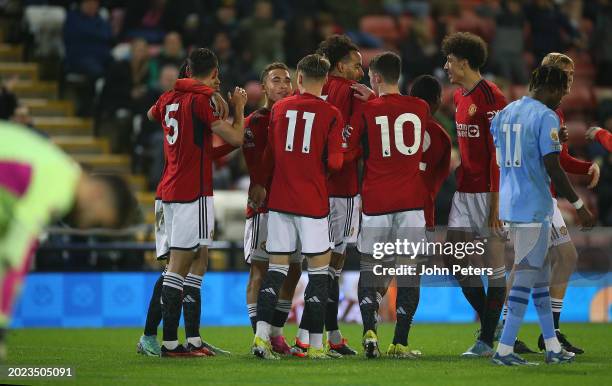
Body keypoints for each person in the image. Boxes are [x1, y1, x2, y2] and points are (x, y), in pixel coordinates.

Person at [0, 122, 138, 361]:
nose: (86, 229)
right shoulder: (58, 182)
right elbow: (15, 253)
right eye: (97, 222)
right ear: (98, 194)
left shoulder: (55, 169)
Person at [490, 65, 595, 366]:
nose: (562, 99)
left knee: (538, 277)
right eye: (561, 91)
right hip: (534, 205)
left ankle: (552, 345)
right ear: (549, 86)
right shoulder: (545, 115)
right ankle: (505, 349)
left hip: (511, 203)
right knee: (526, 276)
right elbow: (553, 167)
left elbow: (499, 154)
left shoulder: (505, 113)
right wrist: (578, 205)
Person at [146, 48, 247, 357]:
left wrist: (190, 88)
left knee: (197, 261)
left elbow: (152, 115)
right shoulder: (201, 101)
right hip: (191, 192)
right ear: (214, 73)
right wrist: (239, 108)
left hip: (169, 189)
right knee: (178, 267)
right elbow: (236, 138)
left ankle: (191, 339)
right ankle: (168, 342)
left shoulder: (169, 98)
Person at [250, 54, 344, 360]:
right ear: (326, 80)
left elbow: (269, 156)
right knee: (318, 274)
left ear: (299, 79)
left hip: (280, 201)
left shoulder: (279, 108)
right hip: (313, 202)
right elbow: (335, 162)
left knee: (275, 271)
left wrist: (261, 184)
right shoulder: (331, 113)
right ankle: (313, 346)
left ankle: (262, 339)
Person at [209, 62, 304, 356]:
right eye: (276, 80)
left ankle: (275, 332)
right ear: (263, 88)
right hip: (264, 208)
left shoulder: (298, 118)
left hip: (295, 206)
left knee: (295, 271)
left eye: (287, 80)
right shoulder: (254, 121)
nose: (283, 85)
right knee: (260, 272)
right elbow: (221, 147)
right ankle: (259, 336)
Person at [343, 52, 430, 359]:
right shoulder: (421, 107)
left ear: (376, 78)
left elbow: (349, 150)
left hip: (377, 202)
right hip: (410, 203)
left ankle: (369, 331)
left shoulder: (368, 111)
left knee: (370, 271)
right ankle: (401, 342)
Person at [292, 34, 373, 357]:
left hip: (313, 190)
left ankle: (333, 336)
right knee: (330, 267)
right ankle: (307, 336)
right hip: (341, 189)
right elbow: (347, 143)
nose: (361, 72)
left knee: (318, 264)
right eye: (356, 65)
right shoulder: (351, 93)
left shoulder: (317, 89)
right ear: (340, 65)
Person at [442, 32, 508, 357]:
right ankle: (492, 321)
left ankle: (485, 341)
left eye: (450, 61)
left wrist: (496, 205)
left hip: (488, 193)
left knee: (494, 266)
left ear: (464, 62)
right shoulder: (458, 96)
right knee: (453, 258)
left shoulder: (492, 98)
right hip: (464, 192)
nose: (446, 66)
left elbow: (499, 156)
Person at [409, 75, 452, 233]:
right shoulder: (441, 135)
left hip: (390, 205)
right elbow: (443, 173)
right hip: (422, 208)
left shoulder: (394, 125)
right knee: (417, 257)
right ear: (437, 100)